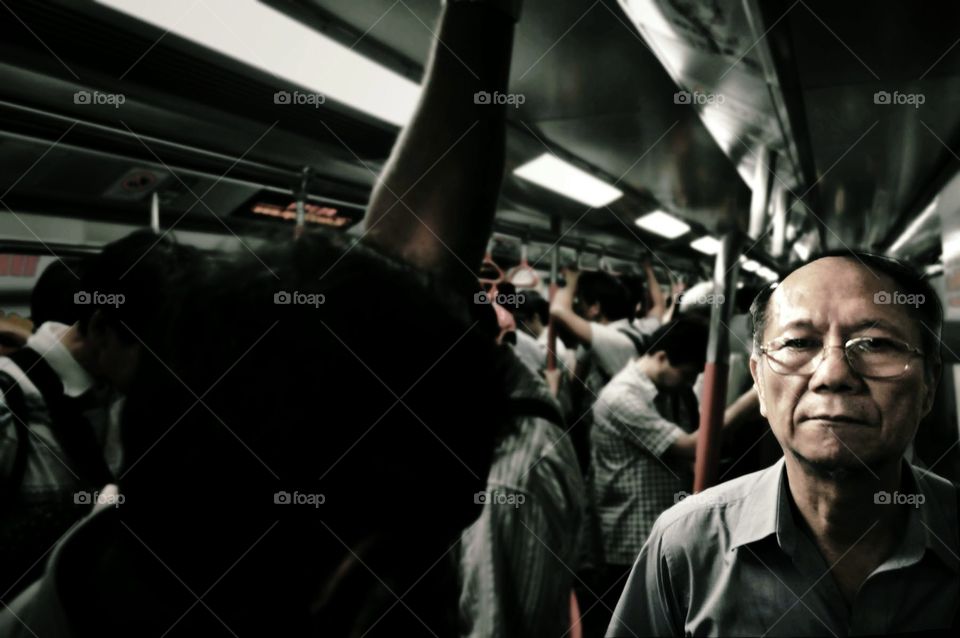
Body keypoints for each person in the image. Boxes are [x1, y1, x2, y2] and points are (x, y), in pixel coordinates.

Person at [609, 251, 959, 637]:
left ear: (929, 384)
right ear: (758, 382)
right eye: (798, 342)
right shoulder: (683, 546)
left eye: (874, 344)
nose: (832, 375)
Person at [0, 232, 200, 603]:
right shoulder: (9, 406)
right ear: (101, 329)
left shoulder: (123, 396)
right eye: (156, 355)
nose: (168, 371)